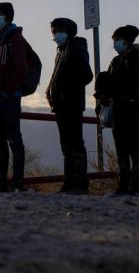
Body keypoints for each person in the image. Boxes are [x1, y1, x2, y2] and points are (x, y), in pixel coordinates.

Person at [95, 25, 139, 195]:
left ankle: (137, 186)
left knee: (133, 147)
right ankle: (124, 185)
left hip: (132, 107)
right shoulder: (116, 60)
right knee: (122, 149)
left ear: (127, 40)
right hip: (118, 107)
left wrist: (111, 84)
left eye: (117, 40)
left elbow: (131, 82)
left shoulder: (137, 58)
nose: (115, 44)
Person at [0, 2, 29, 192]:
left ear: (8, 17)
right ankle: (1, 182)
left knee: (13, 139)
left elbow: (22, 70)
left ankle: (18, 181)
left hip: (9, 98)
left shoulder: (16, 40)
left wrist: (8, 91)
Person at [46, 18, 93, 194]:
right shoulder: (61, 51)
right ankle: (69, 183)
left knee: (74, 143)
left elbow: (87, 75)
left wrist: (66, 89)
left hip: (71, 103)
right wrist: (50, 90)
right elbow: (56, 75)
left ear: (68, 31)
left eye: (58, 30)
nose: (55, 34)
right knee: (66, 144)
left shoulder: (76, 49)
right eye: (53, 31)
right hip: (61, 104)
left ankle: (80, 184)